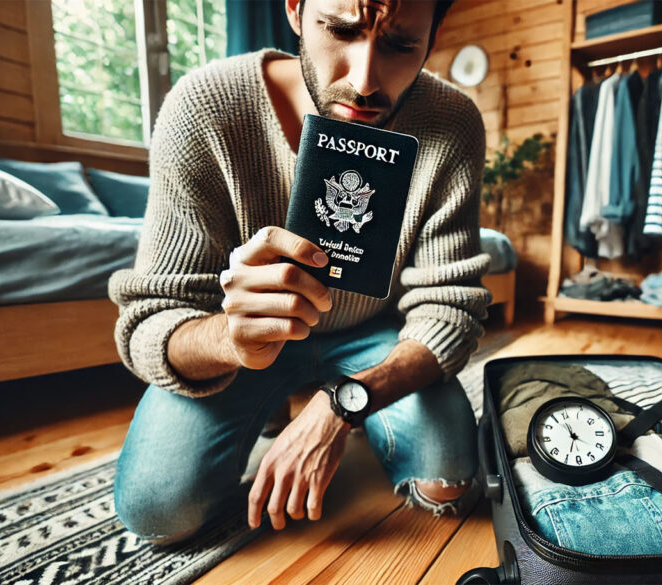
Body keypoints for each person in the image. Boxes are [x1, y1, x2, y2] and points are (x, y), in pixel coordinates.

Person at [109, 0, 491, 545]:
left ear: (436, 31)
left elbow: (449, 307)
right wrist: (230, 335)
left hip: (372, 336)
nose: (363, 82)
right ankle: (271, 402)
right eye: (340, 30)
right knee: (157, 509)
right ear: (294, 8)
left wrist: (341, 404)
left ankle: (310, 397)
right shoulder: (203, 107)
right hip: (243, 347)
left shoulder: (452, 121)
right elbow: (150, 319)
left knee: (448, 481)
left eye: (401, 45)